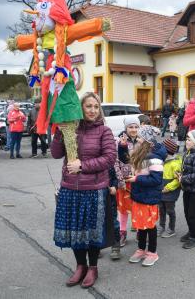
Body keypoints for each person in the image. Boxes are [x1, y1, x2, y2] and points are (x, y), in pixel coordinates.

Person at [52, 92, 117, 288]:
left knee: (91, 232)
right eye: (88, 106)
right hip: (70, 188)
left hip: (94, 189)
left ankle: (93, 267)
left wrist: (83, 166)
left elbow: (109, 158)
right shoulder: (72, 129)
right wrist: (59, 132)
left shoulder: (104, 131)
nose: (92, 110)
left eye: (96, 107)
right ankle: (80, 266)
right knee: (75, 230)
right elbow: (56, 154)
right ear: (80, 108)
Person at [126, 125, 166, 267]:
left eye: (140, 137)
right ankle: (141, 249)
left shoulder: (155, 159)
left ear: (147, 140)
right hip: (140, 196)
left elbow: (156, 180)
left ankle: (152, 253)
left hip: (149, 199)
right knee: (140, 226)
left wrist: (136, 179)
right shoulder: (143, 155)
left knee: (149, 226)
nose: (138, 139)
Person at [114, 116, 140, 247]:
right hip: (124, 181)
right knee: (123, 209)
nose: (133, 129)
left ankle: (139, 230)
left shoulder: (142, 142)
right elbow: (115, 163)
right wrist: (120, 180)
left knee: (137, 207)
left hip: (138, 181)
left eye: (136, 127)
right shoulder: (119, 141)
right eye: (131, 127)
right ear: (126, 128)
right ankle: (122, 232)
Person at [158, 138, 182, 238]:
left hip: (170, 191)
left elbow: (178, 180)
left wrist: (168, 187)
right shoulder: (162, 161)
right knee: (161, 209)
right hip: (161, 190)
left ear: (167, 151)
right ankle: (161, 226)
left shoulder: (175, 163)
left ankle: (171, 229)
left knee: (170, 210)